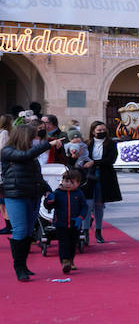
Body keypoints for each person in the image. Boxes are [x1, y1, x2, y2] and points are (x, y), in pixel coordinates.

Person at [3, 123, 62, 281]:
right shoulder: (8, 152)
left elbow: (38, 177)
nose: (35, 140)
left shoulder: (31, 156)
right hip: (16, 196)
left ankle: (24, 265)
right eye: (33, 137)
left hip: (33, 195)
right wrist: (47, 145)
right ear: (24, 137)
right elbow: (23, 157)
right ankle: (19, 267)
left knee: (29, 232)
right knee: (20, 230)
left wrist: (48, 189)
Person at [83, 121, 122, 243]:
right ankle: (85, 232)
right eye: (99, 130)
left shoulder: (111, 143)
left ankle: (98, 231)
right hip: (88, 176)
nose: (101, 132)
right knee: (88, 205)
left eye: (103, 130)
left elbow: (111, 159)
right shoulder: (87, 143)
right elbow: (82, 158)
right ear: (93, 131)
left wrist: (94, 162)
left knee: (99, 205)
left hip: (104, 176)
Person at [42, 169, 87, 275]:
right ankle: (64, 261)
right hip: (60, 223)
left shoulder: (79, 193)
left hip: (74, 223)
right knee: (63, 243)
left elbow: (84, 207)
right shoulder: (57, 193)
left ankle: (71, 259)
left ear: (78, 183)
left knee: (73, 243)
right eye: (65, 181)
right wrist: (48, 201)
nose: (67, 184)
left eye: (71, 182)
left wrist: (80, 217)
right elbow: (48, 206)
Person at [0, 114, 11, 235]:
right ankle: (8, 223)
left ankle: (8, 223)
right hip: (2, 168)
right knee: (4, 198)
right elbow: (3, 150)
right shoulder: (4, 133)